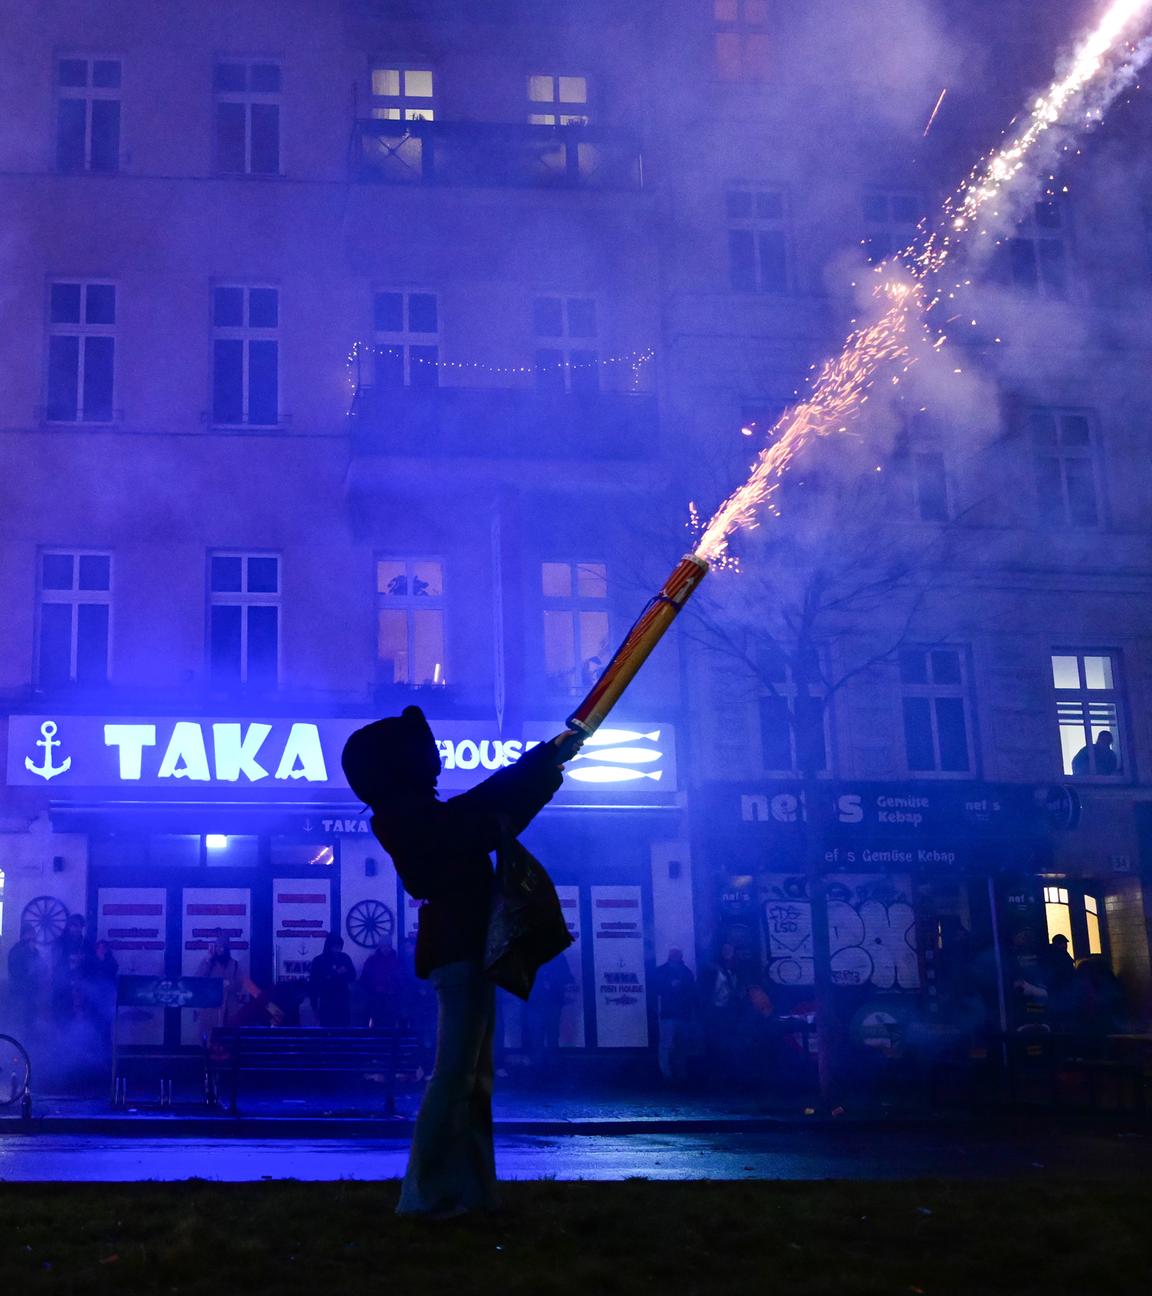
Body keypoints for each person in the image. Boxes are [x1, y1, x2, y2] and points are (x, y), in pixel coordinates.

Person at [341, 704, 574, 1219]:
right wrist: (540, 768)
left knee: (470, 1078)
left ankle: (469, 1193)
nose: (436, 758)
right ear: (403, 762)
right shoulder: (411, 819)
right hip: (460, 952)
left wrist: (540, 765)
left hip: (463, 950)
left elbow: (480, 811)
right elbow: (480, 817)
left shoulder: (409, 815)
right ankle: (424, 1196)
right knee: (455, 1077)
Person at [652, 947, 696, 1083]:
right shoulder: (686, 972)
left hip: (675, 1014)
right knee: (673, 1046)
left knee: (672, 1046)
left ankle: (671, 1074)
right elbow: (656, 989)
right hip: (676, 1014)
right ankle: (671, 1074)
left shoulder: (662, 970)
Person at [194, 931, 247, 1038]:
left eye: (223, 947)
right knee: (209, 1036)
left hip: (230, 1007)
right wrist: (207, 961)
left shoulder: (234, 964)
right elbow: (198, 979)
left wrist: (228, 984)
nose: (221, 950)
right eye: (218, 946)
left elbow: (240, 984)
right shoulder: (209, 962)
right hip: (211, 1007)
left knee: (228, 1037)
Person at [309, 933, 357, 1027]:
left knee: (344, 1032)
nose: (337, 949)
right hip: (327, 1001)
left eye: (339, 947)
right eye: (335, 946)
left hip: (343, 1001)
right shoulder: (319, 961)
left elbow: (353, 975)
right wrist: (314, 1007)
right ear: (328, 946)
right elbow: (314, 984)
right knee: (327, 1032)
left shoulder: (345, 958)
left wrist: (344, 974)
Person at [6, 925, 42, 1041]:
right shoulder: (17, 950)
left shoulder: (33, 950)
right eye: (32, 933)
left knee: (29, 1017)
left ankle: (28, 1040)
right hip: (20, 990)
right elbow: (16, 970)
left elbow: (39, 967)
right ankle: (18, 1041)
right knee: (19, 1016)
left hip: (30, 990)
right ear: (25, 935)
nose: (34, 936)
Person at [360, 936, 402, 1029]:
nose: (386, 949)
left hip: (391, 998)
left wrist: (393, 989)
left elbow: (401, 979)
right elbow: (364, 979)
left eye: (388, 946)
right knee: (377, 1022)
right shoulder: (372, 961)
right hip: (376, 998)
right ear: (380, 946)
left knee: (389, 1022)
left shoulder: (396, 961)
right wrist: (374, 988)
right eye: (384, 946)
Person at [1039, 934, 1077, 1029]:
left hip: (1064, 989)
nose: (1065, 945)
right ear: (1056, 944)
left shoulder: (1063, 955)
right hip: (1058, 990)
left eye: (1065, 943)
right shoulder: (1055, 956)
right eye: (1062, 943)